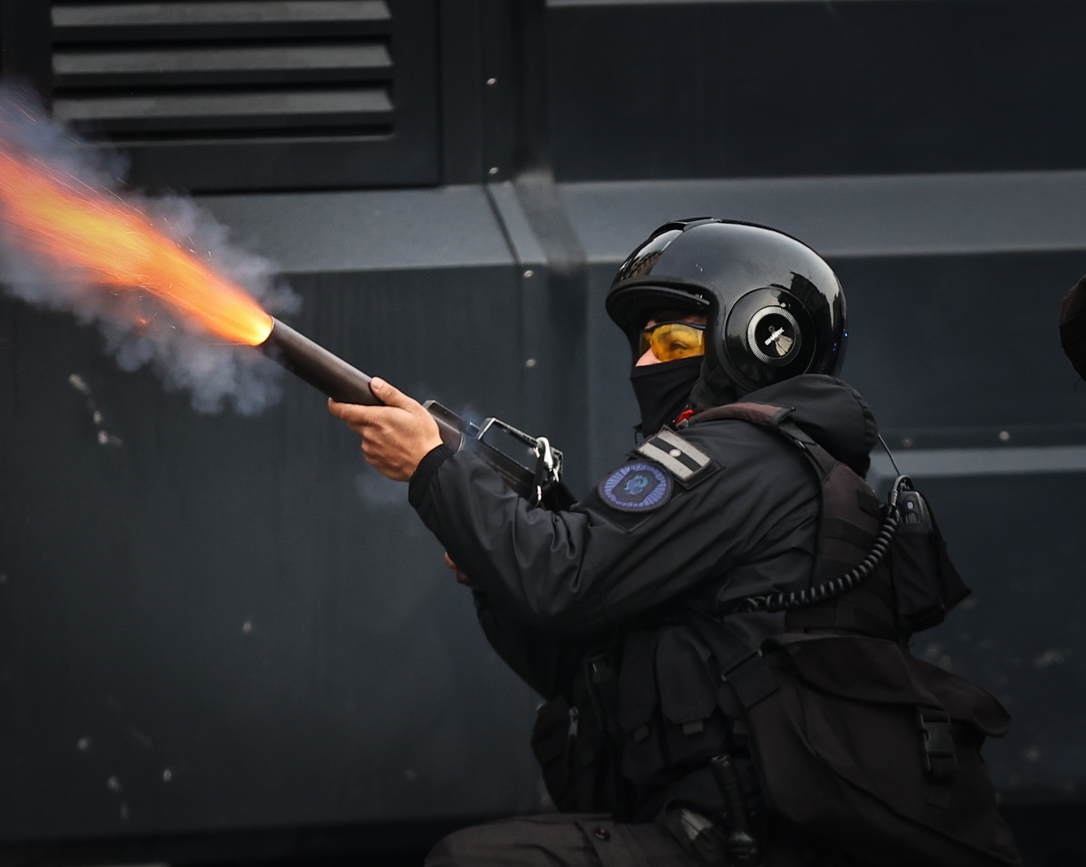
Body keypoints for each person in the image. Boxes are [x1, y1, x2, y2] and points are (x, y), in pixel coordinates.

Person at [328, 218, 1016, 867]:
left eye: (676, 343)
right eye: (643, 343)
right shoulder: (770, 465)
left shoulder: (740, 452)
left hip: (745, 836)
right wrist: (489, 572)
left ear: (759, 338)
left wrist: (434, 465)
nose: (647, 360)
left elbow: (561, 578)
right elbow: (589, 672)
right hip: (728, 826)